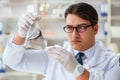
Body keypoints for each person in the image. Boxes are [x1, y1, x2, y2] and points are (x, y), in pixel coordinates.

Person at [3, 2, 120, 80]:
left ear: (95, 29)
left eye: (81, 27)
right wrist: (21, 34)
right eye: (69, 28)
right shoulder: (53, 55)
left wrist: (77, 70)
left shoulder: (113, 61)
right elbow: (13, 61)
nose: (75, 34)